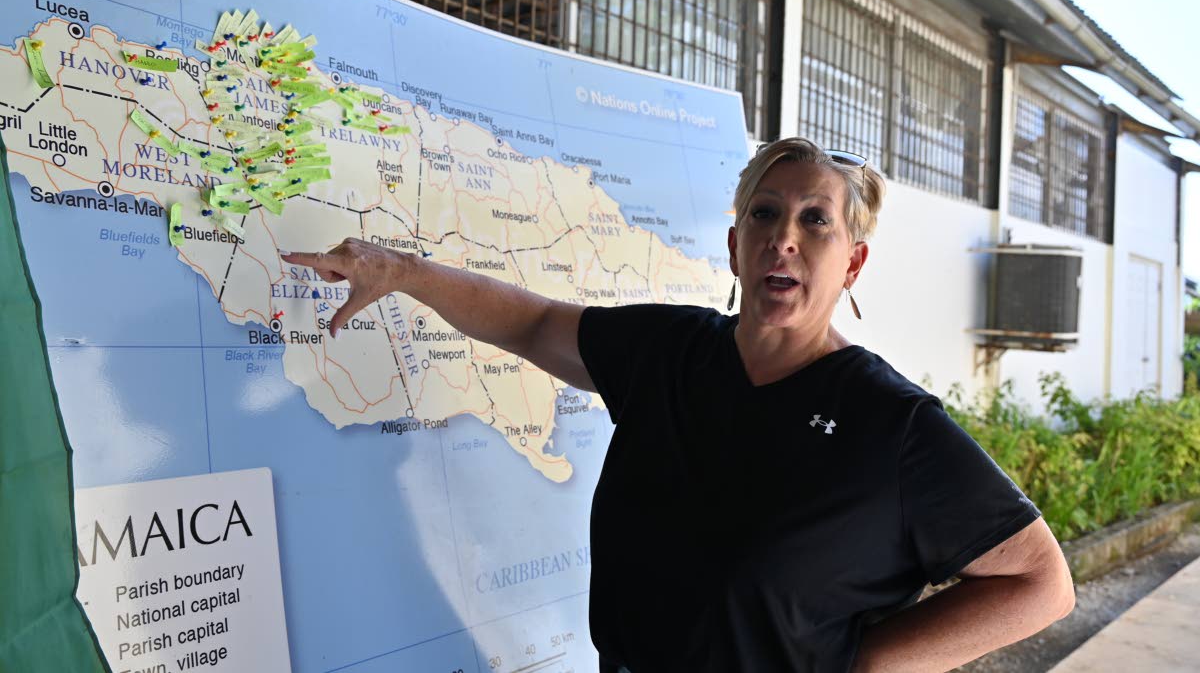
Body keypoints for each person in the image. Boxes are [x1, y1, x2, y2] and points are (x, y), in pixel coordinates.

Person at [282, 137, 1075, 672]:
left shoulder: (890, 425)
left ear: (853, 263)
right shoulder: (672, 354)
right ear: (735, 246)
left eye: (815, 222)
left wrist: (869, 664)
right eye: (764, 214)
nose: (783, 239)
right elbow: (531, 321)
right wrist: (403, 273)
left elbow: (1040, 581)